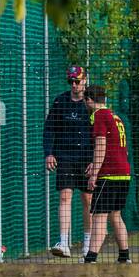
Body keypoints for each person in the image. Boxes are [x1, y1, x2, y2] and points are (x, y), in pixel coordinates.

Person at [42, 65, 93, 258]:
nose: (74, 84)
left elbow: (100, 133)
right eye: (71, 81)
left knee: (88, 200)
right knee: (65, 197)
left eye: (77, 81)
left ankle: (88, 245)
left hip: (87, 158)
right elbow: (49, 129)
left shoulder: (92, 102)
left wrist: (95, 160)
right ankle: (64, 242)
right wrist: (49, 153)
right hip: (64, 156)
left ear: (85, 80)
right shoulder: (60, 101)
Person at [82, 85, 131, 263]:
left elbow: (101, 144)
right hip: (124, 173)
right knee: (116, 215)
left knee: (99, 217)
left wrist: (95, 173)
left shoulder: (99, 116)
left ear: (88, 100)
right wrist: (94, 163)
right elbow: (115, 146)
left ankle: (91, 257)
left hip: (109, 174)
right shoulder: (115, 116)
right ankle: (125, 256)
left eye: (85, 101)